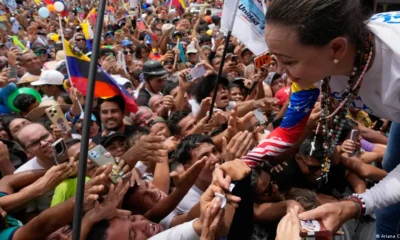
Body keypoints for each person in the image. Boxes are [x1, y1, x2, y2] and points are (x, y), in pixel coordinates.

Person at [264, 0, 400, 237]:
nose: (280, 72)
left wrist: (356, 204)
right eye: (275, 59)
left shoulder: (395, 72)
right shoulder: (316, 63)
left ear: (336, 48)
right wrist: (243, 164)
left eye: (288, 61)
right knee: (390, 183)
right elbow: (287, 133)